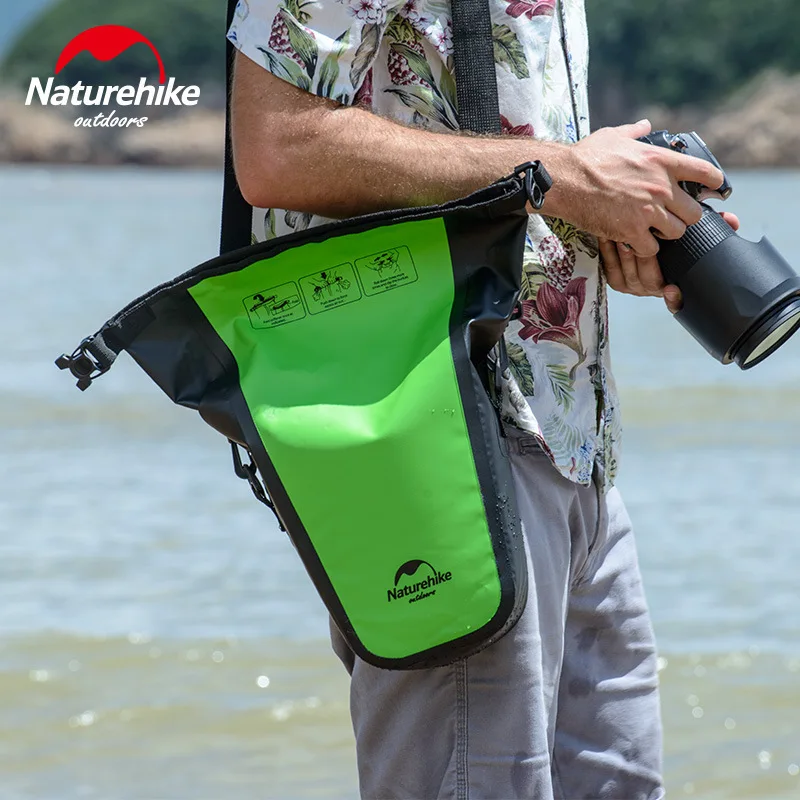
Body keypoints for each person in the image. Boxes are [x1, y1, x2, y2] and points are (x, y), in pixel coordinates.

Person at [227, 1, 739, 797]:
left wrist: (603, 217)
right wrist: (562, 175)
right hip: (444, 443)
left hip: (578, 447)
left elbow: (504, 140)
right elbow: (277, 146)